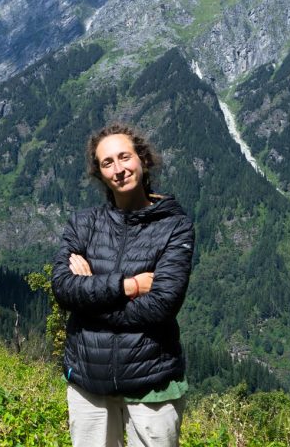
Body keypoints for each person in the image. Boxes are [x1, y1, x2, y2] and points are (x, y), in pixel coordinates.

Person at [51, 123, 195, 447]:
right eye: (107, 163)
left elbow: (162, 305)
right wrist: (127, 287)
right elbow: (62, 287)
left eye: (124, 157)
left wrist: (89, 300)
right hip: (88, 382)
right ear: (100, 174)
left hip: (152, 383)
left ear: (142, 159)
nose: (118, 169)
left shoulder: (175, 226)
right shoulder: (83, 224)